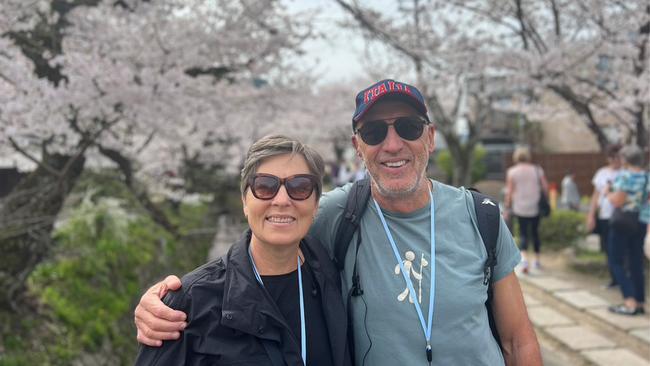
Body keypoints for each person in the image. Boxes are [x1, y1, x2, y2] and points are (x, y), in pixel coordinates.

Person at [134, 79, 542, 365]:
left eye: (409, 127)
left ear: (431, 137)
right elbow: (267, 234)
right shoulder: (333, 214)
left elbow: (517, 338)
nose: (393, 143)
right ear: (357, 147)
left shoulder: (480, 216)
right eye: (375, 131)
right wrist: (172, 297)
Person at [135, 135, 352, 365]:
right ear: (244, 201)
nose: (281, 200)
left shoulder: (334, 277)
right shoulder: (190, 304)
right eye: (265, 186)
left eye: (300, 187)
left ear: (316, 203)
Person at [606, 145, 648, 316]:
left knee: (616, 261)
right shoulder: (647, 177)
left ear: (625, 159)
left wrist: (607, 193)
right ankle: (640, 301)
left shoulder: (624, 176)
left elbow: (617, 201)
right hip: (640, 221)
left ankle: (629, 301)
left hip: (623, 222)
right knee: (636, 262)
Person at [504, 146, 548, 274]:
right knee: (535, 233)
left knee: (523, 233)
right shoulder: (537, 170)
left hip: (520, 206)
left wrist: (507, 207)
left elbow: (509, 192)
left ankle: (524, 260)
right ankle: (537, 260)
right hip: (535, 206)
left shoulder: (512, 172)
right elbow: (545, 186)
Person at [586, 144, 622, 288]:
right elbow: (595, 196)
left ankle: (623, 277)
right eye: (612, 157)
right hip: (605, 215)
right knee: (608, 247)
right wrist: (591, 215)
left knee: (620, 248)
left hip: (620, 216)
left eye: (617, 157)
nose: (614, 161)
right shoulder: (602, 173)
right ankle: (614, 278)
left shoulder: (625, 173)